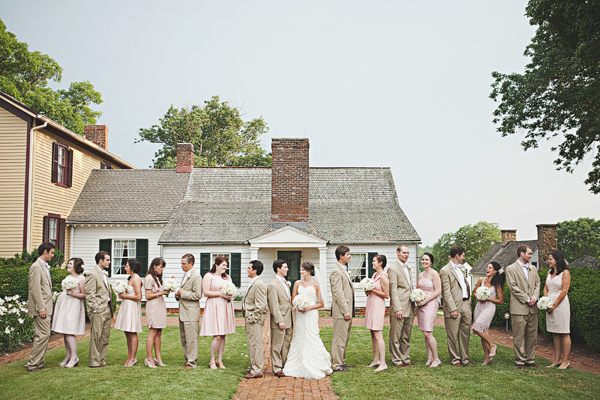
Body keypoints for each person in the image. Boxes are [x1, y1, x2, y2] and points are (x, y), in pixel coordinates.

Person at [283, 262, 333, 379]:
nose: (301, 272)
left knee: (311, 335)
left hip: (311, 314)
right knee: (300, 335)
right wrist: (298, 305)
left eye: (303, 270)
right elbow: (293, 298)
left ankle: (316, 363)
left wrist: (308, 307)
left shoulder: (316, 284)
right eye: (300, 269)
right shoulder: (297, 283)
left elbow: (321, 303)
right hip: (300, 314)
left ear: (309, 271)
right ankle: (298, 363)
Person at [505, 245, 541, 368]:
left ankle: (530, 359)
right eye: (529, 254)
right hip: (519, 307)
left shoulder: (533, 268)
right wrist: (526, 299)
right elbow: (513, 287)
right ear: (522, 253)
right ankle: (519, 360)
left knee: (532, 335)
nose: (531, 256)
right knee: (519, 335)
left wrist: (534, 298)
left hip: (533, 308)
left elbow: (538, 283)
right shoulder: (510, 269)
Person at [201, 256, 236, 370]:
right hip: (214, 305)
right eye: (223, 265)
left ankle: (219, 360)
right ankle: (212, 360)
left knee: (223, 334)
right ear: (216, 265)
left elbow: (232, 290)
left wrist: (231, 295)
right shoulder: (209, 276)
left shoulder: (227, 277)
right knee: (216, 335)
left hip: (225, 305)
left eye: (226, 265)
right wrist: (220, 294)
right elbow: (206, 292)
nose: (225, 267)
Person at [25, 242, 55, 372]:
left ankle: (38, 363)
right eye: (52, 253)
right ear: (45, 252)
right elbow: (35, 289)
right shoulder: (36, 267)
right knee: (42, 335)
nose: (53, 255)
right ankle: (32, 364)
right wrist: (41, 308)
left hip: (46, 306)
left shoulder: (43, 266)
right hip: (42, 307)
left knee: (44, 335)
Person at [440, 245, 472, 366]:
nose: (464, 258)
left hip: (465, 304)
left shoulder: (462, 268)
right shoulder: (445, 270)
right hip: (454, 307)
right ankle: (455, 359)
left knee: (465, 333)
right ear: (457, 256)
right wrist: (452, 309)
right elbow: (446, 292)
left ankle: (465, 358)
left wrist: (468, 303)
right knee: (453, 335)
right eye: (463, 255)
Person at [52, 257, 86, 369]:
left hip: (74, 305)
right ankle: (68, 356)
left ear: (76, 265)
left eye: (70, 264)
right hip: (64, 304)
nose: (68, 265)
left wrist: (72, 294)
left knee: (70, 331)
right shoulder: (68, 277)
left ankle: (74, 357)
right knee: (64, 331)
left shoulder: (81, 279)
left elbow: (84, 295)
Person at [472, 261, 505, 365]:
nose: (487, 269)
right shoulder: (481, 280)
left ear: (495, 271)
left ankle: (492, 345)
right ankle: (487, 358)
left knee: (476, 327)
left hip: (489, 307)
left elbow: (500, 300)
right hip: (479, 306)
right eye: (487, 267)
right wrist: (479, 297)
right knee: (482, 332)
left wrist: (488, 298)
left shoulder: (497, 284)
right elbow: (474, 292)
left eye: (490, 268)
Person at [329, 245, 355, 372]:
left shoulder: (343, 270)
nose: (350, 256)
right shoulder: (336, 271)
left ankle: (341, 362)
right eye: (348, 254)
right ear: (341, 256)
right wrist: (345, 310)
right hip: (341, 311)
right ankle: (336, 364)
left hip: (347, 309)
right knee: (339, 338)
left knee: (345, 337)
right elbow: (338, 293)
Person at [388, 245, 415, 367]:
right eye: (404, 252)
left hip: (410, 305)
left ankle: (405, 357)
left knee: (406, 334)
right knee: (396, 334)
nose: (406, 255)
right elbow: (392, 290)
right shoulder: (393, 269)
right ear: (397, 253)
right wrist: (397, 308)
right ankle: (396, 359)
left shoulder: (407, 268)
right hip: (399, 307)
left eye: (408, 253)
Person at [544, 251, 571, 369]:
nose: (548, 261)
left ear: (557, 260)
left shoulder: (565, 273)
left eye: (550, 259)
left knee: (564, 332)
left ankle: (565, 361)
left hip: (560, 305)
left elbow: (564, 291)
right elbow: (546, 287)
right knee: (555, 332)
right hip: (549, 304)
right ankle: (556, 359)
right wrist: (545, 301)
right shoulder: (549, 273)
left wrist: (554, 305)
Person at [175, 253, 202, 369]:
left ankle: (192, 362)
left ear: (191, 264)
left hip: (191, 313)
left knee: (191, 339)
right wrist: (178, 295)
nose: (182, 266)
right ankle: (187, 359)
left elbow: (198, 295)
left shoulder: (196, 276)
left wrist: (183, 293)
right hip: (183, 312)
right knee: (184, 338)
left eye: (184, 264)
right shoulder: (185, 275)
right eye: (181, 263)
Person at [114, 258, 143, 367]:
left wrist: (124, 296)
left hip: (132, 306)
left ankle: (133, 358)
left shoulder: (136, 279)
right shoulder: (130, 278)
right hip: (127, 305)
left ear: (132, 267)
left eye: (126, 266)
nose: (125, 268)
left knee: (132, 332)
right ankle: (129, 356)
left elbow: (139, 296)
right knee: (127, 332)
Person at [86, 250, 113, 368]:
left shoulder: (103, 273)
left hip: (107, 308)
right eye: (107, 260)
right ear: (100, 260)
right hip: (98, 310)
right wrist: (95, 308)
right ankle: (94, 361)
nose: (109, 262)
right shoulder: (92, 274)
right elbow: (90, 294)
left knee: (105, 336)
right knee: (96, 336)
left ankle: (102, 359)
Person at [267, 259, 293, 377]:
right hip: (280, 319)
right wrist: (279, 320)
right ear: (278, 269)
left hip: (289, 318)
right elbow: (274, 305)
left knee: (286, 344)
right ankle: (277, 368)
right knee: (277, 345)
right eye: (285, 267)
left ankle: (284, 365)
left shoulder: (285, 283)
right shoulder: (273, 285)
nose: (287, 269)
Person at [416, 252, 442, 367]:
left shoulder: (434, 273)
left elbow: (438, 291)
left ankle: (436, 359)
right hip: (420, 305)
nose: (424, 261)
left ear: (431, 262)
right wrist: (417, 299)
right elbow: (417, 289)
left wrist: (425, 301)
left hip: (430, 304)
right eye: (423, 259)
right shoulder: (420, 275)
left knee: (428, 332)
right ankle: (429, 358)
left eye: (427, 259)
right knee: (425, 332)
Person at [243, 260, 268, 379]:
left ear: (254, 271)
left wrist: (253, 318)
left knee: (256, 344)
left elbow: (261, 304)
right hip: (250, 317)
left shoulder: (258, 284)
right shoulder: (254, 282)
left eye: (249, 268)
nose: (247, 269)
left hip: (254, 319)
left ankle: (257, 370)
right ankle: (254, 366)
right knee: (252, 343)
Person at [364, 254, 389, 372]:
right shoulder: (374, 275)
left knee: (378, 333)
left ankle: (383, 363)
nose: (372, 263)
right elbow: (372, 291)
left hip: (378, 305)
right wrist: (368, 291)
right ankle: (376, 359)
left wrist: (373, 290)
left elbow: (386, 295)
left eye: (374, 261)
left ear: (380, 263)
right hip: (371, 303)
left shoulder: (383, 277)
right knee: (372, 332)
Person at [144, 257, 169, 368]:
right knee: (153, 331)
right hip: (153, 306)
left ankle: (158, 357)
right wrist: (161, 292)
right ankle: (149, 358)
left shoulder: (157, 278)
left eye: (163, 267)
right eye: (160, 267)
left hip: (160, 305)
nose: (162, 269)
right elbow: (148, 296)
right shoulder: (149, 278)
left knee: (159, 332)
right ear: (154, 266)